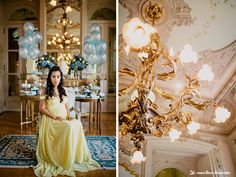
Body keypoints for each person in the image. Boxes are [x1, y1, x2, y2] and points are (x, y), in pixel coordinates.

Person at [34, 66, 100, 177]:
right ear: (50, 77)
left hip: (63, 118)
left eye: (58, 76)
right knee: (69, 127)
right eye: (53, 76)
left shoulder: (62, 90)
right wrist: (54, 117)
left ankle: (74, 156)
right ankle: (63, 158)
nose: (56, 79)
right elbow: (42, 109)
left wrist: (69, 116)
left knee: (77, 124)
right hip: (52, 120)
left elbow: (66, 106)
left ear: (61, 78)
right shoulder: (45, 90)